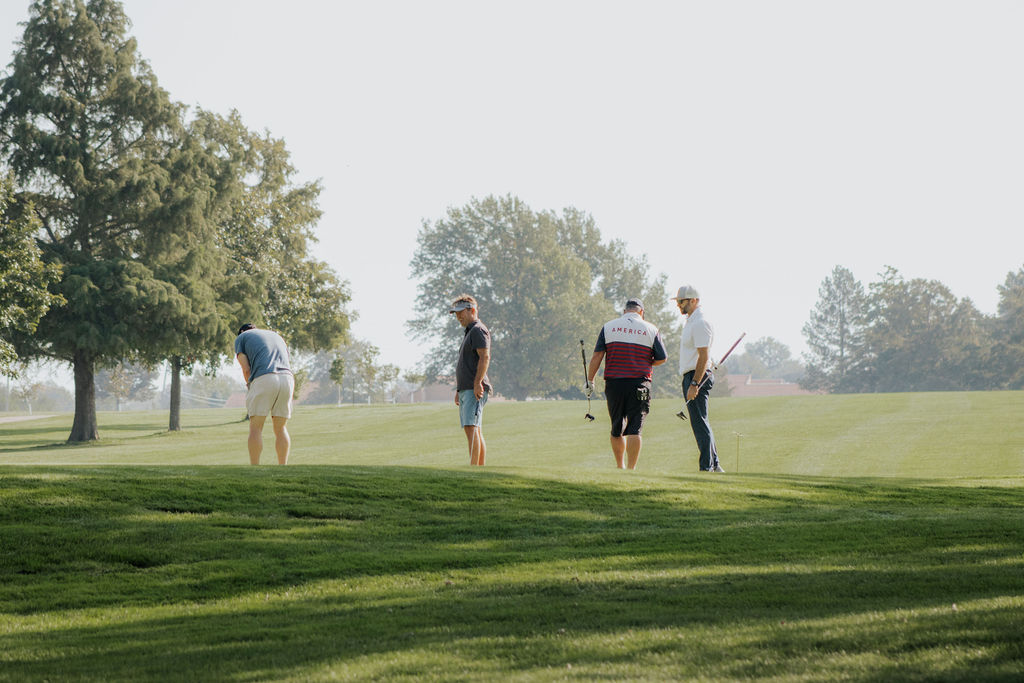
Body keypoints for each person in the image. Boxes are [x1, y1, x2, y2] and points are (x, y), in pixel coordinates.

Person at [587, 298, 668, 470]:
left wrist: (590, 380)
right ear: (641, 312)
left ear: (625, 311)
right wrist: (646, 362)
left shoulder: (609, 327)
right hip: (640, 383)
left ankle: (620, 466)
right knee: (635, 428)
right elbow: (662, 358)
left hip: (615, 383)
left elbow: (597, 356)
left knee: (617, 426)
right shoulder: (651, 329)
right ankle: (631, 469)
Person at [672, 285, 724, 472]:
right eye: (678, 301)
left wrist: (694, 383)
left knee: (700, 422)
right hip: (692, 375)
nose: (679, 305)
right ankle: (714, 464)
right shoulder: (691, 322)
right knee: (701, 422)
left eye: (682, 301)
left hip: (697, 376)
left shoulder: (701, 323)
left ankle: (707, 467)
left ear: (694, 300)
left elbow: (703, 356)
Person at [234, 323, 294, 465]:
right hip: (287, 379)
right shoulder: (276, 336)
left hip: (265, 377)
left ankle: (255, 467)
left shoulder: (241, 338)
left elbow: (246, 369)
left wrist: (250, 386)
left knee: (256, 428)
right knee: (280, 428)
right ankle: (283, 467)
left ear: (241, 331)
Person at [450, 295, 491, 466]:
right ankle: (478, 469)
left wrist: (477, 383)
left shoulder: (478, 330)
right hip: (466, 388)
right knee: (474, 429)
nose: (458, 316)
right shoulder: (470, 331)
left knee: (471, 428)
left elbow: (484, 357)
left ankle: (474, 469)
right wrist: (459, 389)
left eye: (461, 312)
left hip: (474, 388)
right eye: (456, 313)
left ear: (472, 310)